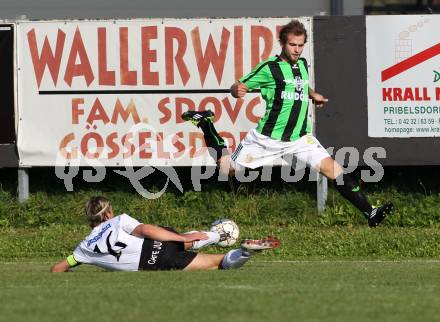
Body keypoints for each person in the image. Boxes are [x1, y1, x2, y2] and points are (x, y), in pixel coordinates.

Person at [182, 19, 393, 227]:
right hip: (267, 138)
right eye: (293, 45)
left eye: (301, 45)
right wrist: (236, 90)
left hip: (300, 138)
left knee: (334, 170)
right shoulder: (269, 68)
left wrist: (313, 94)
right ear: (283, 43)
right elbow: (238, 86)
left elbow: (301, 84)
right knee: (227, 169)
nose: (297, 50)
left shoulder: (301, 64)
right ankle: (206, 123)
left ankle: (370, 213)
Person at [50, 196, 279, 272]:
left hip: (152, 261)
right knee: (188, 241)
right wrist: (181, 238)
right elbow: (146, 230)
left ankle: (239, 248)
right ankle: (220, 237)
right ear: (108, 211)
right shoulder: (119, 220)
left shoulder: (84, 248)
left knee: (217, 263)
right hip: (157, 244)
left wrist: (66, 267)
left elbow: (58, 267)